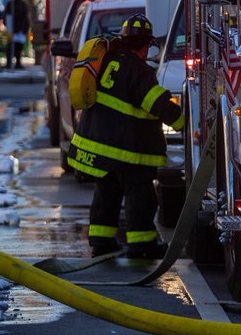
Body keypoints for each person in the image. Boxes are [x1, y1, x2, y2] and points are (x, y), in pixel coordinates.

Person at [68, 14, 184, 258]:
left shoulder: (107, 60)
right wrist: (183, 121)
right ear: (145, 46)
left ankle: (101, 242)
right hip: (128, 149)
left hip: (100, 145)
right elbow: (156, 103)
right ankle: (142, 245)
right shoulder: (139, 70)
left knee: (106, 193)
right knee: (140, 194)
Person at [4, 0, 30, 69]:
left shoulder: (24, 5)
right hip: (12, 30)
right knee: (10, 46)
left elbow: (26, 18)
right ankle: (9, 63)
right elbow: (7, 16)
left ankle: (18, 63)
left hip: (20, 30)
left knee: (19, 47)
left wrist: (25, 29)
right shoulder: (11, 4)